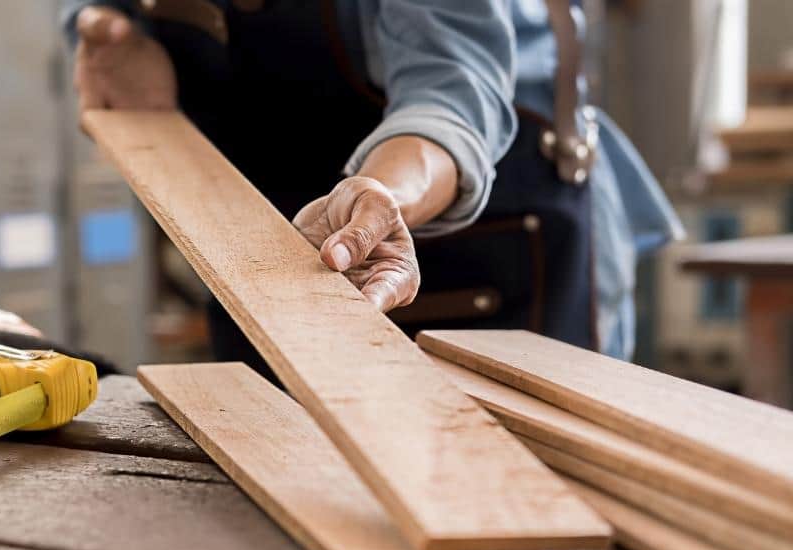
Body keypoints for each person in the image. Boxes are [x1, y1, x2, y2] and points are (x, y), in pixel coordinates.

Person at [63, 0, 683, 370]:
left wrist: (379, 198)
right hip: (281, 240)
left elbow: (450, 95)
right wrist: (107, 31)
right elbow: (101, 16)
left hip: (477, 223)